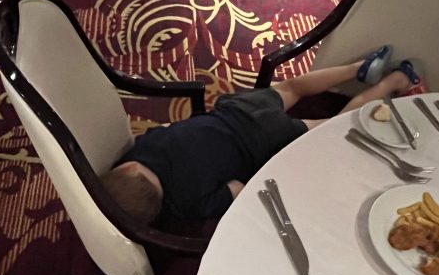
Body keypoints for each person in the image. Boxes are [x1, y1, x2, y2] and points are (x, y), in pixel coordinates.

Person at [102, 51, 422, 224]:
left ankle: (392, 83)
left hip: (261, 141)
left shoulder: (185, 205)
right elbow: (169, 129)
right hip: (236, 111)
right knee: (291, 87)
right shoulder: (146, 147)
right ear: (128, 168)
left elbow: (236, 189)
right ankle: (358, 68)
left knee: (330, 126)